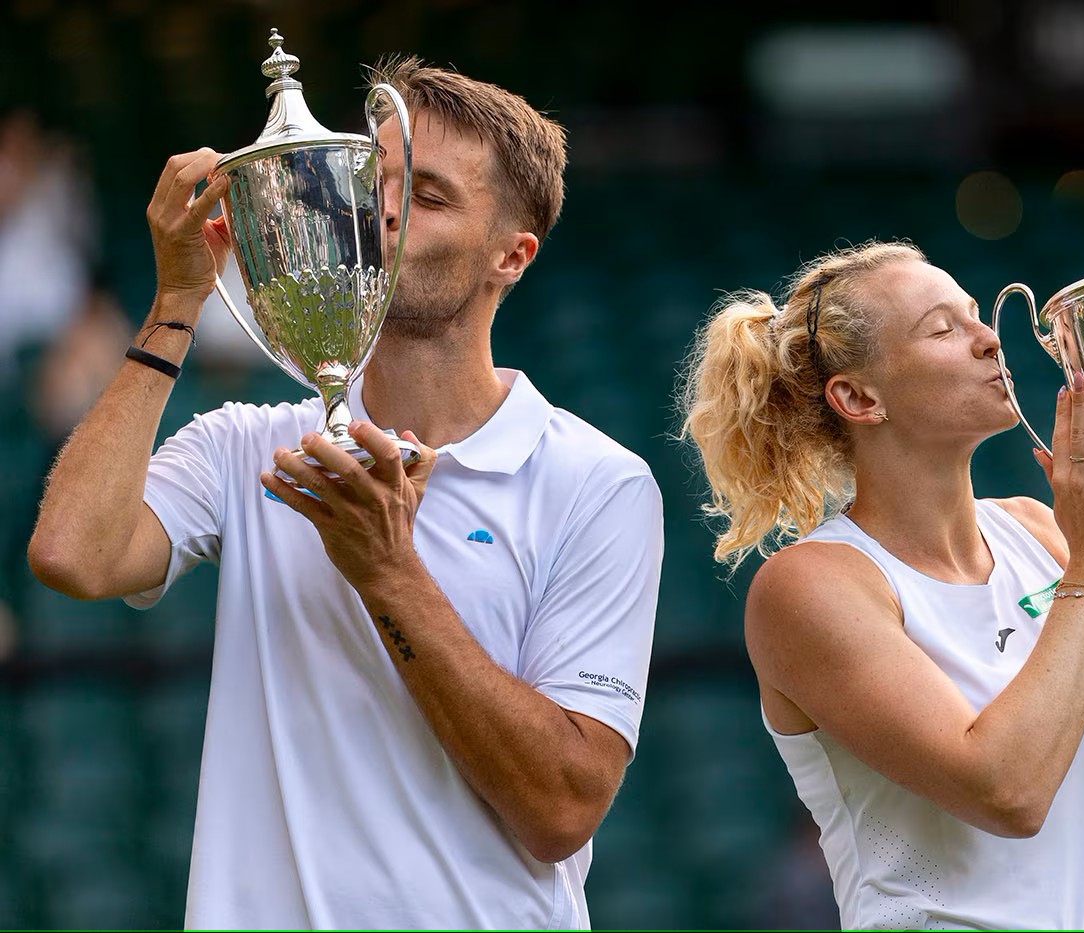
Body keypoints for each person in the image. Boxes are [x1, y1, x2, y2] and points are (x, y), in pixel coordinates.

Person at [28, 59, 663, 929]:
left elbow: (561, 807)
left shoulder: (599, 482)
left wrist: (388, 572)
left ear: (510, 256)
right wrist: (177, 300)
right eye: (376, 184)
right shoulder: (244, 440)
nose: (385, 212)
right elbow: (73, 553)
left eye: (428, 197)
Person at [679, 240, 1084, 929]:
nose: (987, 340)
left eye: (975, 315)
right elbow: (1008, 792)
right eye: (942, 329)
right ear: (858, 397)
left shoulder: (1037, 531)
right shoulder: (807, 584)